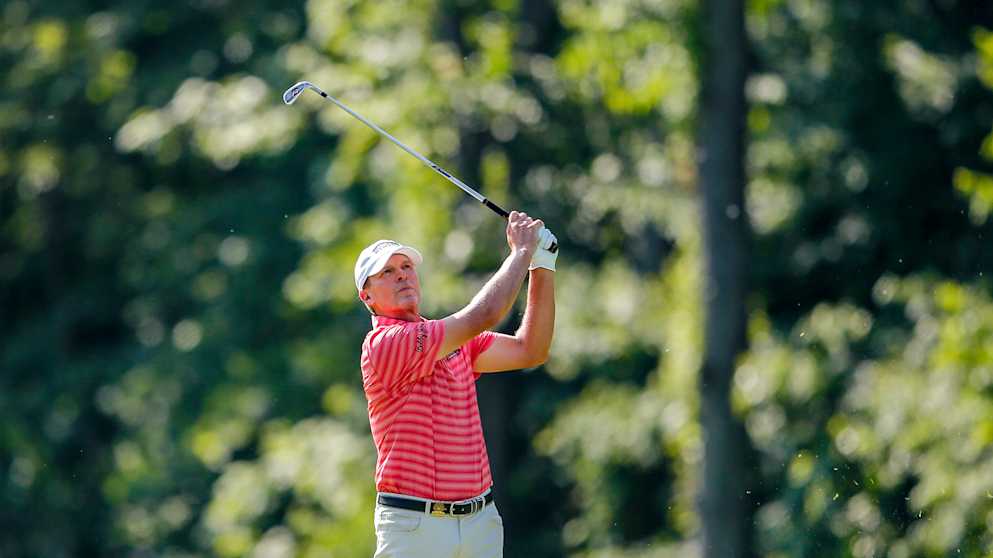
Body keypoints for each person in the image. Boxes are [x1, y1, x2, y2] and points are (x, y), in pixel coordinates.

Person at [353, 211, 557, 558]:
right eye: (387, 272)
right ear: (367, 296)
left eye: (406, 268)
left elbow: (530, 349)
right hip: (415, 527)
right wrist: (521, 253)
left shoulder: (453, 342)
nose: (402, 276)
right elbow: (485, 314)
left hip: (480, 522)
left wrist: (543, 266)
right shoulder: (384, 344)